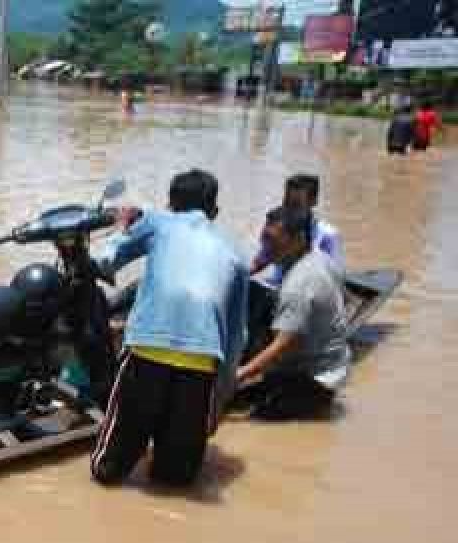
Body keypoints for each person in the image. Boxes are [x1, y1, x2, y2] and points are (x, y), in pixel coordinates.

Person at [91, 169, 249, 487]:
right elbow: (236, 336)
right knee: (174, 480)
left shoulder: (157, 222)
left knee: (106, 471)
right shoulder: (235, 253)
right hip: (202, 360)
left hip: (147, 350)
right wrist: (220, 395)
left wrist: (121, 226)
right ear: (214, 212)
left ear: (170, 203)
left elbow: (104, 260)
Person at [235, 207, 350, 420]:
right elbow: (346, 298)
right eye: (263, 239)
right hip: (335, 362)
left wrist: (239, 375)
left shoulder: (297, 286)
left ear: (298, 239)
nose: (265, 248)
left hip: (315, 378)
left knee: (251, 420)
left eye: (272, 241)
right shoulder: (321, 258)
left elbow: (283, 346)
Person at [250, 174, 344, 286]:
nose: (289, 210)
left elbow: (332, 280)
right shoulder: (278, 229)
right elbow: (260, 261)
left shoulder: (327, 236)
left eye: (296, 205)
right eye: (286, 203)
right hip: (277, 286)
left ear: (313, 202)